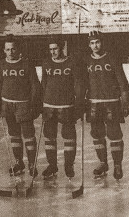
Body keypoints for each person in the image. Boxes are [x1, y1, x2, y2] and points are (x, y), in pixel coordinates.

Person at [83, 31, 129, 180]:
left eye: (97, 42)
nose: (95, 45)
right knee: (97, 134)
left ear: (102, 42)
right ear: (89, 45)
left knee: (114, 133)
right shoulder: (86, 60)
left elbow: (123, 82)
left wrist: (126, 100)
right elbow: (82, 82)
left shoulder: (112, 58)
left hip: (111, 102)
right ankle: (103, 162)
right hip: (94, 103)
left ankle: (117, 164)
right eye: (92, 43)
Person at [0, 35, 41, 176]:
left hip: (23, 105)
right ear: (4, 50)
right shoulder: (2, 64)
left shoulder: (27, 64)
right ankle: (19, 162)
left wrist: (34, 105)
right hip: (7, 105)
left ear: (18, 49)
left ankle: (32, 164)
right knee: (14, 135)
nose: (10, 52)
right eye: (7, 49)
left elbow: (35, 86)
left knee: (28, 135)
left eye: (13, 49)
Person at [40, 39, 84, 179]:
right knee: (49, 136)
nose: (53, 52)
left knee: (69, 136)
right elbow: (44, 83)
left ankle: (69, 165)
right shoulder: (46, 63)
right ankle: (52, 165)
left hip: (67, 105)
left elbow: (78, 85)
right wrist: (41, 102)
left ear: (62, 48)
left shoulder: (72, 63)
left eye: (55, 49)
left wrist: (79, 104)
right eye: (51, 49)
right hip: (49, 105)